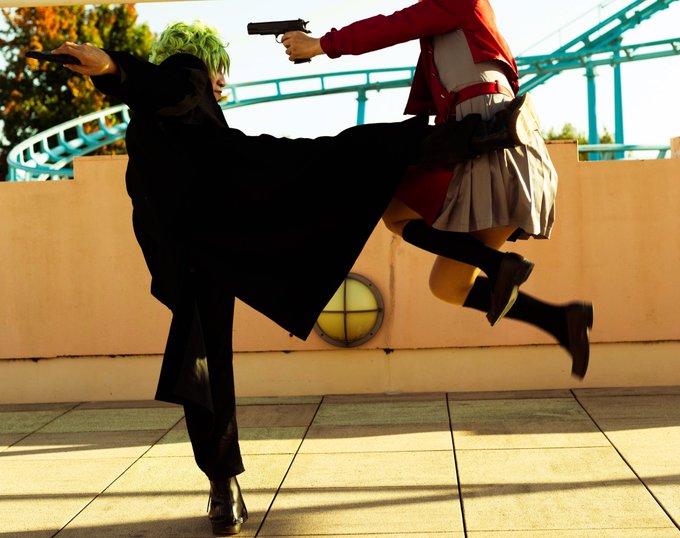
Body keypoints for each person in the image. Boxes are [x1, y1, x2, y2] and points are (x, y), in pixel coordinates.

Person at [50, 19, 523, 536]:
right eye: (218, 70)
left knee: (203, 367)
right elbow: (162, 85)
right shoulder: (183, 75)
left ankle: (223, 490)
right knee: (344, 156)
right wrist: (112, 66)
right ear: (198, 61)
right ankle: (476, 136)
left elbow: (149, 174)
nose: (221, 82)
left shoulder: (152, 121)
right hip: (225, 224)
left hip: (204, 244)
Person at [282, 0, 594, 379]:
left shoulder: (460, 3)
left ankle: (499, 266)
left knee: (394, 206)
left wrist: (320, 45)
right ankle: (560, 319)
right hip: (476, 141)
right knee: (447, 284)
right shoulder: (450, 23)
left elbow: (393, 26)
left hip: (490, 142)